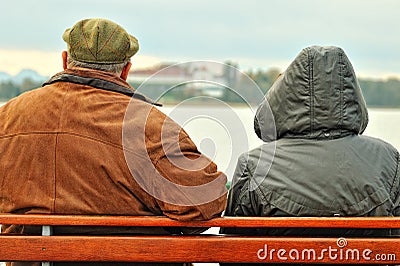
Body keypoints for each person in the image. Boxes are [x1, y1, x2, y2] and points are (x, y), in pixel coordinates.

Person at [0, 18, 227, 266]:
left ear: (65, 60)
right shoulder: (150, 126)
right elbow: (204, 202)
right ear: (126, 70)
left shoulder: (8, 116)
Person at [221, 46, 400, 242]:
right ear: (351, 95)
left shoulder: (255, 164)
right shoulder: (388, 160)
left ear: (285, 97)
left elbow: (233, 249)